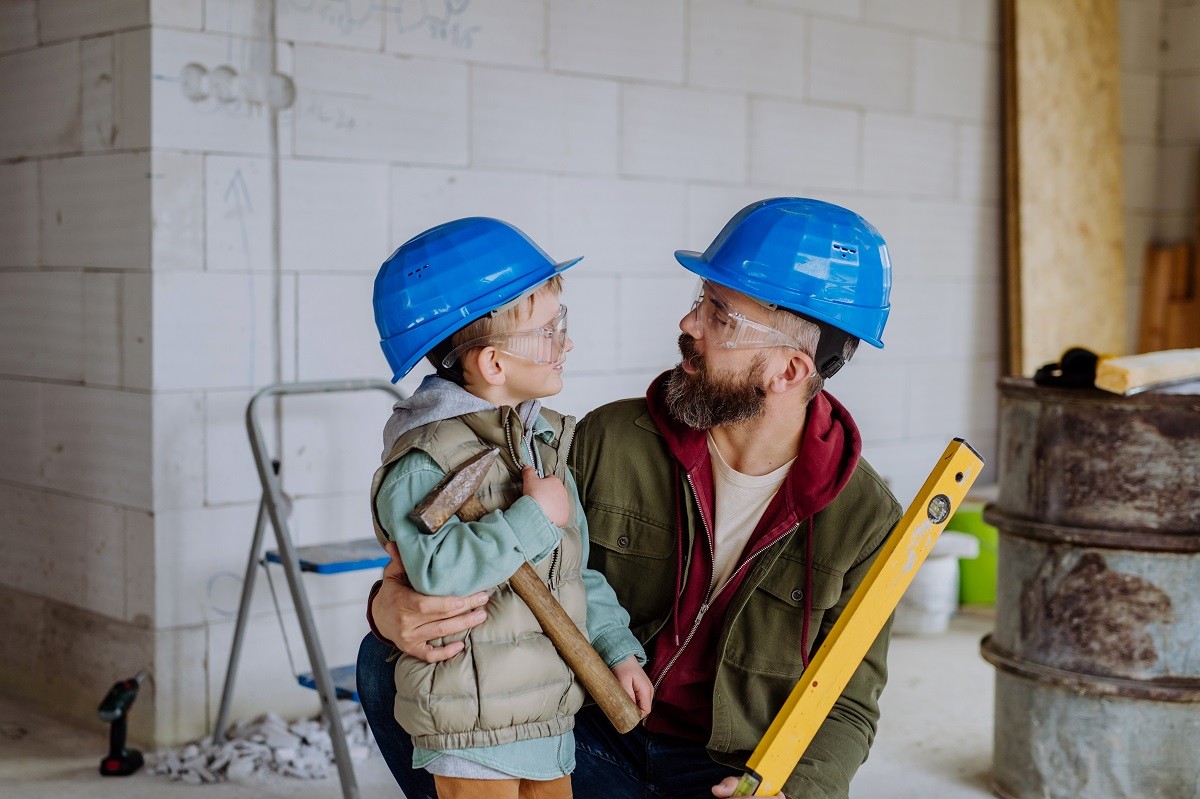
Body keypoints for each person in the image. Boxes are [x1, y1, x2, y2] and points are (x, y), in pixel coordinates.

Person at [359, 198, 904, 799]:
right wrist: (388, 611)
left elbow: (848, 704)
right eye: (701, 300)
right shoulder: (605, 440)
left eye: (719, 317)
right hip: (586, 725)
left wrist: (788, 792)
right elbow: (492, 563)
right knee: (381, 668)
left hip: (718, 770)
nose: (687, 324)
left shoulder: (863, 518)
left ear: (790, 369)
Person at [366, 217, 653, 799]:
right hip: (469, 718)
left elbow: (573, 571)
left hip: (546, 709)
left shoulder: (540, 444)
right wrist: (533, 520)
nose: (564, 342)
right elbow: (437, 573)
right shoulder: (426, 459)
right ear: (493, 364)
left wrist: (616, 648)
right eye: (550, 331)